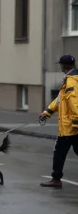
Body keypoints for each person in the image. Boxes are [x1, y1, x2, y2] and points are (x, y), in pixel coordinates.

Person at [39, 54, 78, 188]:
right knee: (61, 152)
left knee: (59, 153)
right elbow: (60, 100)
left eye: (60, 65)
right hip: (70, 126)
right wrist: (47, 112)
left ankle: (56, 179)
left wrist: (76, 122)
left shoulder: (71, 81)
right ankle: (56, 178)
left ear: (64, 66)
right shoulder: (70, 79)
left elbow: (74, 102)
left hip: (70, 127)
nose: (60, 67)